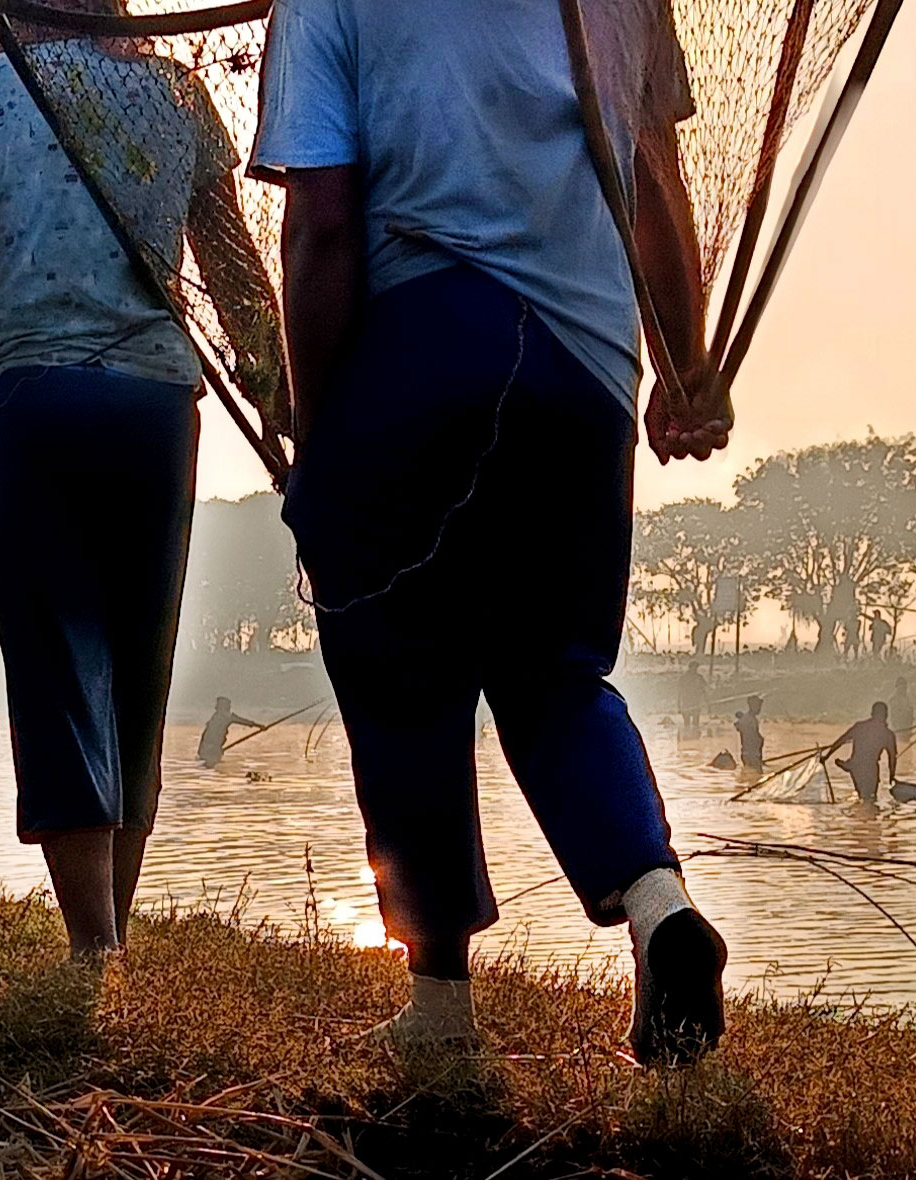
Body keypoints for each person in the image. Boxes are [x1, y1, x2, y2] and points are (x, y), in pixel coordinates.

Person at [251, 0, 729, 1063]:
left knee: (396, 669)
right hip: (587, 371)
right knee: (557, 675)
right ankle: (660, 909)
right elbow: (656, 190)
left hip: (425, 338)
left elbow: (322, 227)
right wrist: (684, 369)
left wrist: (322, 444)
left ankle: (438, 1009)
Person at [0, 0, 278, 957]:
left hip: (29, 407)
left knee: (54, 662)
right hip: (153, 415)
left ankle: (93, 946)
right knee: (141, 667)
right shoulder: (177, 96)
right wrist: (278, 397)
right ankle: (115, 930)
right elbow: (236, 278)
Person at [822, 702, 898, 805]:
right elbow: (892, 758)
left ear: (872, 713)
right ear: (886, 715)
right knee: (869, 798)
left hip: (858, 767)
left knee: (864, 796)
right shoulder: (887, 734)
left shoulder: (860, 727)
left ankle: (848, 765)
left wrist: (827, 756)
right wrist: (891, 776)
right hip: (868, 769)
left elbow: (842, 740)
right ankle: (865, 816)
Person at [198, 696, 260, 768]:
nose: (215, 707)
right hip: (210, 747)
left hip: (210, 747)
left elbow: (244, 721)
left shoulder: (218, 716)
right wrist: (259, 726)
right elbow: (243, 721)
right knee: (210, 765)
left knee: (207, 765)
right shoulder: (224, 716)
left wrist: (258, 726)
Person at [733, 695, 765, 772]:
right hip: (752, 755)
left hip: (749, 754)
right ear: (752, 706)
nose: (759, 708)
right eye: (758, 706)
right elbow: (753, 738)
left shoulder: (748, 719)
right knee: (756, 775)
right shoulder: (750, 720)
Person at [677, 660, 708, 733]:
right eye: (693, 668)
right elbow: (679, 692)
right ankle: (686, 740)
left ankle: (695, 738)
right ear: (690, 668)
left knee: (696, 724)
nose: (695, 670)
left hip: (696, 703)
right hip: (686, 703)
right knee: (686, 723)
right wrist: (678, 706)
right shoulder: (683, 678)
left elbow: (704, 690)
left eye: (696, 668)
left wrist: (707, 702)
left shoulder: (699, 678)